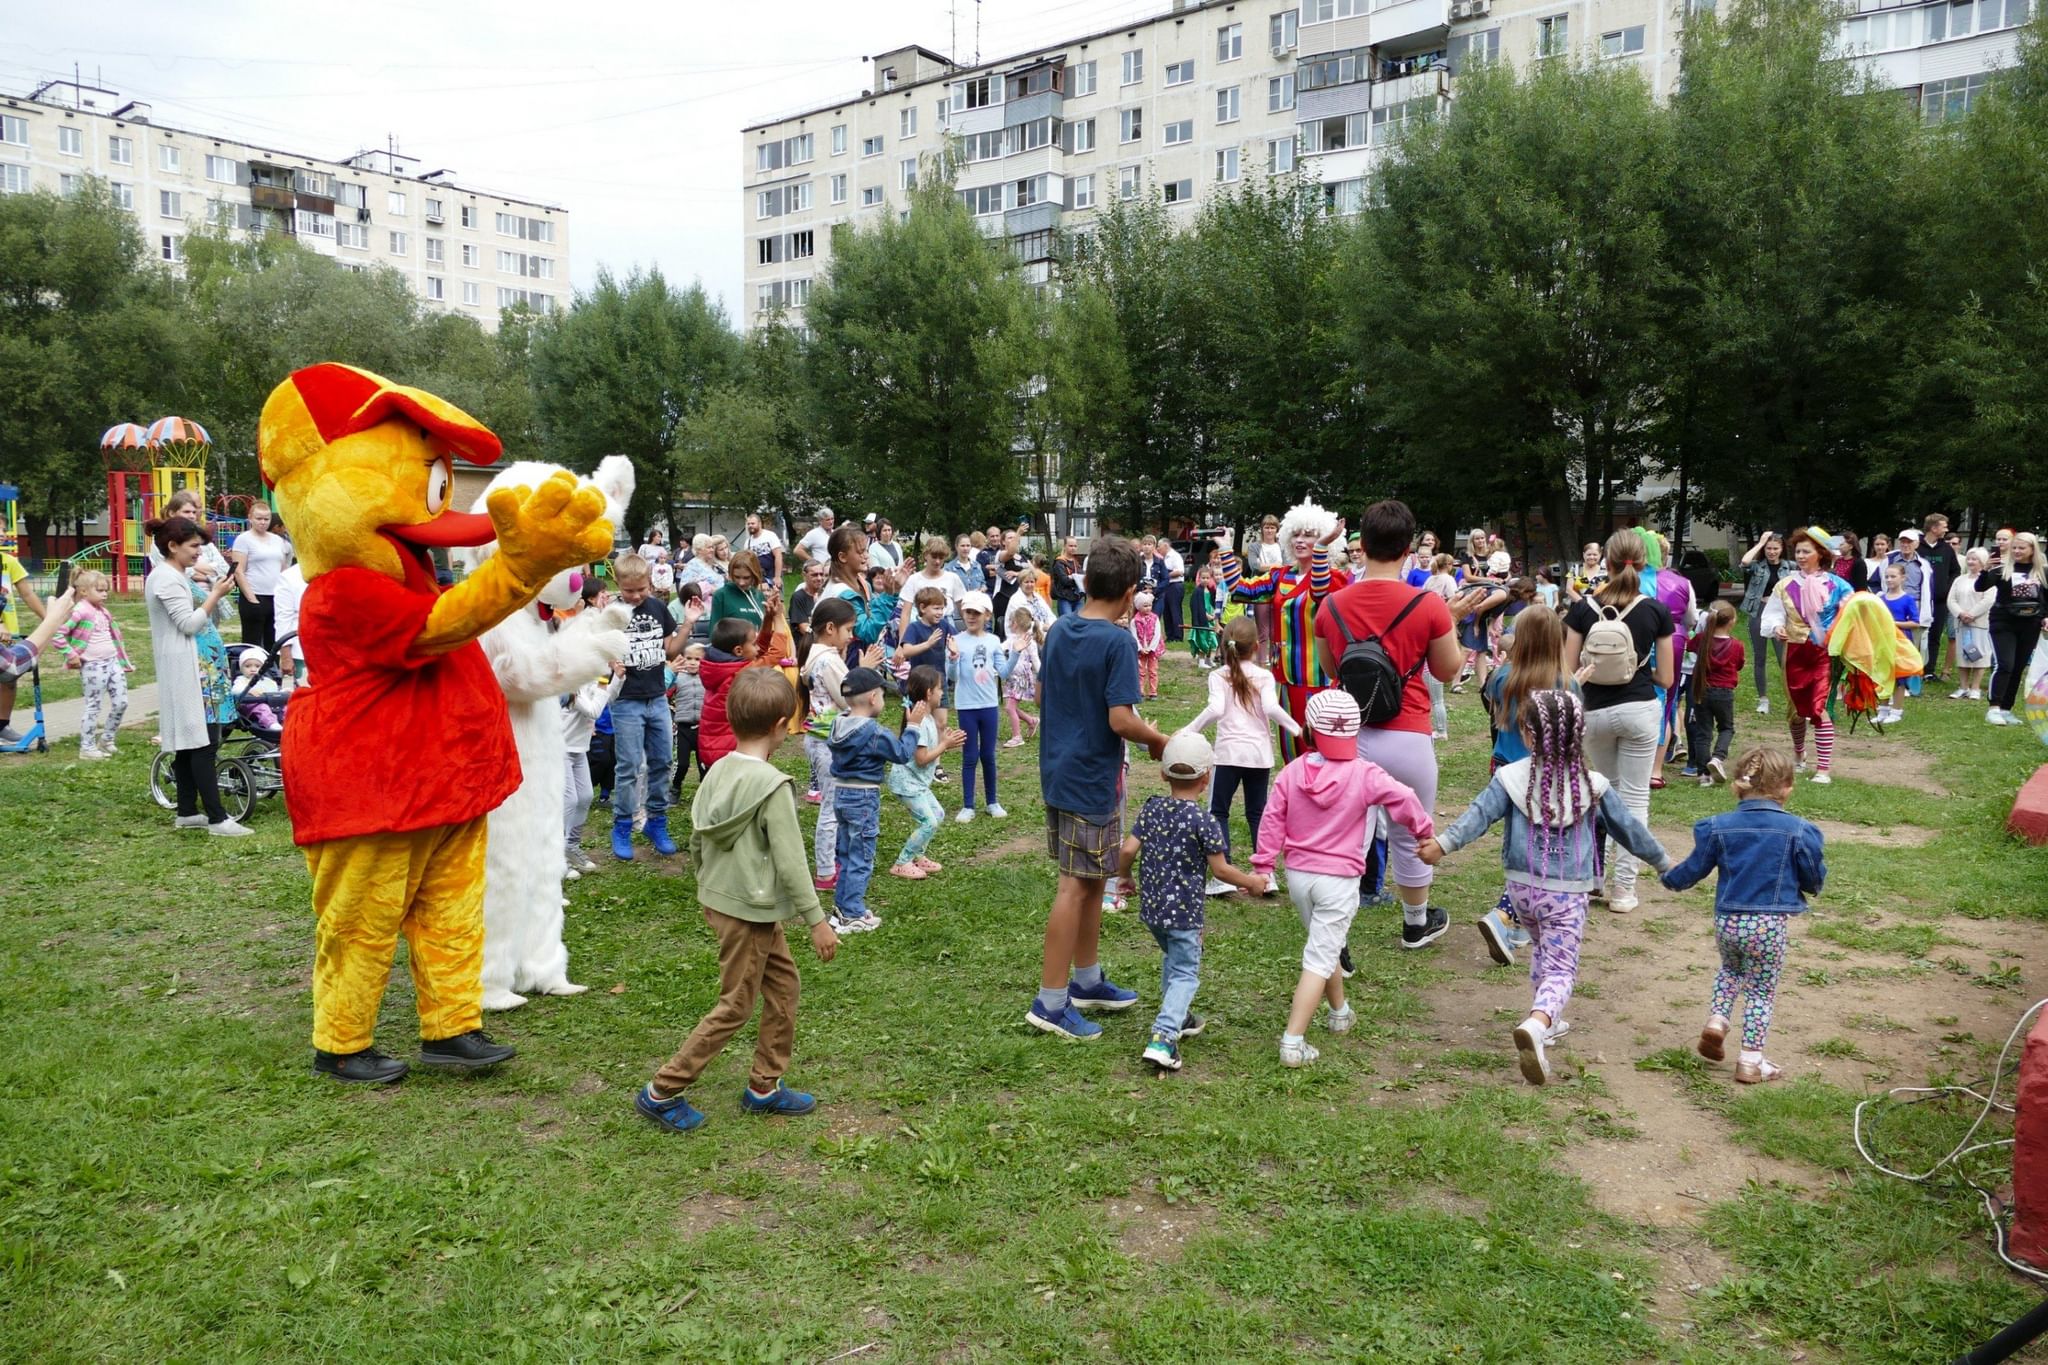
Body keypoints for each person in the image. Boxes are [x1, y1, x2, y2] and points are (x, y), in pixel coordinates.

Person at [1421, 690, 1671, 1085]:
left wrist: (1443, 844)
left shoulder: (1511, 779)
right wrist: (1662, 862)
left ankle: (1548, 1020)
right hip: (1567, 894)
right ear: (1579, 735)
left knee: (1542, 949)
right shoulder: (1594, 786)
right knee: (1561, 968)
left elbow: (1478, 816)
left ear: (1527, 732)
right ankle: (1537, 1025)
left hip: (1521, 892)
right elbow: (1629, 831)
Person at [633, 669, 836, 1132]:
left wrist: (707, 884)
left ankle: (764, 1085)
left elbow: (698, 837)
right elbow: (791, 861)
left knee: (783, 988)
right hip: (748, 911)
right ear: (781, 725)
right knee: (737, 1004)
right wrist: (817, 920)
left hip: (733, 904)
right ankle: (662, 1090)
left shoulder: (719, 769)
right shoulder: (773, 786)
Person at [1313, 498, 1472, 952]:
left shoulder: (1333, 605)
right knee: (1412, 829)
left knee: (1345, 835)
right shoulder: (1428, 605)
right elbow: (1447, 671)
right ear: (1409, 548)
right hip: (1408, 734)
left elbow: (1332, 669)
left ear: (1361, 544)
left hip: (1350, 736)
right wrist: (1453, 621)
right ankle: (1415, 923)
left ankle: (1335, 932)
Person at [1028, 536, 1169, 1041]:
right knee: (1074, 886)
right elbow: (1120, 720)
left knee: (1090, 881)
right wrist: (1158, 739)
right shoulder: (1117, 641)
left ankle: (1086, 981)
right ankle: (1049, 1002)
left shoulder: (1061, 628)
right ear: (1131, 591)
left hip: (1060, 773)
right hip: (1090, 780)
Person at [1255, 690, 1435, 1068]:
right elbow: (1404, 797)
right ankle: (1293, 1041)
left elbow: (1271, 818)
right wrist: (1423, 832)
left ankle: (1340, 1012)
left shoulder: (1293, 772)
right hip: (1338, 881)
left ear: (1310, 730)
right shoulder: (1366, 774)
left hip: (1299, 876)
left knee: (1326, 943)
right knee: (1319, 956)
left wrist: (1263, 865)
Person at [1660, 748, 1826, 1085]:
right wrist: (1810, 885)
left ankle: (1718, 1021)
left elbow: (1694, 869)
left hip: (1728, 920)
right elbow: (1812, 874)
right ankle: (1751, 1061)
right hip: (1767, 924)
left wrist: (1669, 877)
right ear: (1787, 787)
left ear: (1738, 785)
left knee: (1730, 969)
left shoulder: (1719, 827)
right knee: (1761, 991)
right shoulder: (1797, 830)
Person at [1118, 731, 1265, 1072]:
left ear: (1163, 774)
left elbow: (1127, 850)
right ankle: (1163, 1037)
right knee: (1185, 971)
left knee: (1173, 958)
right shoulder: (1204, 821)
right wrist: (1252, 882)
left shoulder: (1152, 807)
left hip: (1153, 911)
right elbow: (1222, 871)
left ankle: (1181, 1016)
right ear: (1206, 778)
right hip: (1184, 914)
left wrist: (1125, 876)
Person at [1562, 529, 1676, 912]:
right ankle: (1624, 890)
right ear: (1645, 562)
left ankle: (1593, 876)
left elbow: (1568, 668)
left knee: (1604, 794)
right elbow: (1667, 679)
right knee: (1635, 798)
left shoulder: (1583, 608)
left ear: (1605, 562)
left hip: (1593, 712)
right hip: (1640, 709)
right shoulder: (1655, 610)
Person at [1474, 603, 1579, 964]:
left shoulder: (1504, 678)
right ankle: (1504, 913)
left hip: (1505, 770)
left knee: (1519, 845)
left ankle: (1517, 923)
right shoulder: (1567, 683)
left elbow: (1492, 694)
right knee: (1539, 853)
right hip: (1544, 775)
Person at [1217, 502, 1351, 760]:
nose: (1300, 540)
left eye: (1309, 535)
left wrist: (1321, 548)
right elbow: (1241, 590)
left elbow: (1319, 591)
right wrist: (1225, 549)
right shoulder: (1281, 576)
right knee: (1291, 750)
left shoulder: (1336, 578)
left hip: (1320, 680)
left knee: (1319, 749)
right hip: (1286, 679)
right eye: (1296, 534)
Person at [144, 517, 251, 836]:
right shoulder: (166, 578)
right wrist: (214, 595)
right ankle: (217, 818)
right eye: (193, 547)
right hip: (189, 671)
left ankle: (188, 812)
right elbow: (188, 624)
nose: (198, 553)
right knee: (204, 744)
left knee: (194, 744)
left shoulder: (177, 574)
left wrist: (214, 590)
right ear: (172, 546)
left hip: (200, 670)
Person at [1181, 614, 1300, 893]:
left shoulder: (1218, 676)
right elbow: (1271, 709)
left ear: (1224, 646)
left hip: (1227, 755)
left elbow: (1216, 710)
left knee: (1218, 810)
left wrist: (1188, 730)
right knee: (1258, 813)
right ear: (1257, 646)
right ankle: (1265, 875)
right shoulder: (1265, 676)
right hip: (1258, 755)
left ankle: (1224, 876)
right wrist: (1298, 729)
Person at [827, 665, 924, 933]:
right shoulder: (873, 732)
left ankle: (842, 908)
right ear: (872, 698)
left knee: (846, 853)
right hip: (863, 797)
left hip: (842, 794)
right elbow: (903, 754)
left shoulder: (838, 724)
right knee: (861, 855)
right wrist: (913, 727)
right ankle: (854, 913)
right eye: (882, 695)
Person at [1758, 528, 1852, 776]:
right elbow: (1774, 613)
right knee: (1797, 710)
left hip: (1823, 655)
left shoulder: (1839, 586)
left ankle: (1823, 769)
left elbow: (1850, 615)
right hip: (1794, 654)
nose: (1800, 556)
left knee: (1819, 708)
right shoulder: (1785, 584)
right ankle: (1799, 752)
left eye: (1805, 551)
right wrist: (1778, 627)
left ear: (1820, 554)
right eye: (1798, 551)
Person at [800, 599, 880, 889]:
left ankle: (831, 859)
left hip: (819, 739)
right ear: (830, 628)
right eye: (848, 629)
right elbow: (849, 697)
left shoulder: (816, 654)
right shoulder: (829, 660)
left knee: (832, 803)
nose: (851, 635)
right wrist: (864, 670)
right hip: (827, 741)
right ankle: (825, 871)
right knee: (831, 808)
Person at [609, 554, 683, 860]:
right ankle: (622, 826)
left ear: (649, 582)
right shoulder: (611, 613)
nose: (637, 596)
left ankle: (656, 822)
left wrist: (689, 624)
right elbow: (596, 646)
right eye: (630, 591)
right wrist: (609, 660)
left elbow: (671, 649)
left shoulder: (658, 608)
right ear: (618, 584)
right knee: (629, 768)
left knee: (663, 761)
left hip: (657, 698)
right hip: (627, 700)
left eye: (642, 589)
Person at [886, 665, 965, 881]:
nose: (942, 692)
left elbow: (925, 752)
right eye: (940, 689)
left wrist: (943, 740)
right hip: (907, 785)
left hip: (917, 784)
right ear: (929, 693)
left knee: (937, 814)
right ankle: (902, 863)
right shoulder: (919, 721)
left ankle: (918, 856)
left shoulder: (927, 717)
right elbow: (921, 760)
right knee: (928, 822)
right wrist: (945, 745)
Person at [947, 590, 1016, 822]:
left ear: (987, 615)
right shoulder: (956, 640)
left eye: (976, 612)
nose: (971, 616)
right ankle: (968, 805)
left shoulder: (993, 641)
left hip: (988, 705)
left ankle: (992, 802)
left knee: (988, 754)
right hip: (966, 706)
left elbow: (1003, 672)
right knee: (969, 755)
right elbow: (953, 677)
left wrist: (1015, 653)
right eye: (968, 611)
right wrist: (954, 658)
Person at [55, 569, 133, 758]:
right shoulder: (80, 611)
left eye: (106, 590)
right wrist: (71, 655)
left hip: (112, 662)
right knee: (94, 705)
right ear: (83, 591)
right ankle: (87, 747)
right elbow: (58, 634)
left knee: (122, 702)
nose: (105, 594)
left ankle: (107, 739)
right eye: (100, 590)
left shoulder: (103, 611)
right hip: (93, 665)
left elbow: (114, 637)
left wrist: (123, 661)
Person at [1979, 531, 2047, 727]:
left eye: (2021, 548)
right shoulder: (2003, 569)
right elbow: (1980, 587)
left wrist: (2045, 617)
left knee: (2018, 667)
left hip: (2030, 624)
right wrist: (1986, 570)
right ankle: (1993, 708)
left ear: (2032, 549)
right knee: (2005, 664)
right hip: (2003, 622)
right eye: (2014, 547)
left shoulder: (2042, 571)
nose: (2017, 551)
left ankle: (2006, 709)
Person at [564, 658, 626, 876]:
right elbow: (593, 711)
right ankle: (557, 858)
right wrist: (603, 679)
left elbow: (609, 698)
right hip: (561, 748)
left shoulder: (591, 678)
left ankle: (571, 847)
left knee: (586, 797)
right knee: (569, 800)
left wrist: (616, 678)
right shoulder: (569, 684)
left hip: (579, 748)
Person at [1685, 600, 1745, 785]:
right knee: (1726, 727)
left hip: (1702, 690)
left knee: (1703, 732)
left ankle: (1703, 775)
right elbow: (1740, 664)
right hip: (1724, 692)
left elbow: (1689, 645)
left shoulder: (1701, 639)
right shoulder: (1736, 646)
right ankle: (1717, 758)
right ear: (1732, 622)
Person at [821, 525, 902, 647]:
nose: (866, 556)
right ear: (842, 557)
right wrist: (888, 596)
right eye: (860, 552)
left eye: (866, 550)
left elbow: (871, 612)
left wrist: (893, 590)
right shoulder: (843, 593)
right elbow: (867, 633)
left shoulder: (862, 584)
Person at [695, 616, 758, 772]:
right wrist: (776, 618)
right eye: (754, 644)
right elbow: (775, 653)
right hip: (731, 753)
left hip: (711, 749)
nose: (757, 649)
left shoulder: (716, 668)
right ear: (738, 650)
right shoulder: (739, 674)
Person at [0, 545, 49, 744]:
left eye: (2, 529)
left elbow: (27, 594)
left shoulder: (9, 562)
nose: (1, 534)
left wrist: (48, 619)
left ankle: (2, 725)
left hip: (8, 633)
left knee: (9, 679)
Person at [229, 500, 292, 653]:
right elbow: (238, 570)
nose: (263, 522)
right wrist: (251, 598)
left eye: (266, 519)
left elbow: (283, 568)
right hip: (255, 595)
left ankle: (273, 672)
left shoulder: (277, 540)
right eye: (259, 518)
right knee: (253, 643)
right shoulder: (244, 539)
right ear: (250, 518)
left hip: (275, 596)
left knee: (274, 640)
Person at [1738, 531, 1787, 716]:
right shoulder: (1758, 567)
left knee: (1784, 659)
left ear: (1782, 550)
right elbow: (1744, 562)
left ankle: (1792, 698)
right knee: (1760, 658)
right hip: (1758, 611)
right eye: (1769, 548)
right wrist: (1760, 543)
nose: (1772, 552)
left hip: (1780, 615)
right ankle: (1763, 700)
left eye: (1775, 548)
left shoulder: (1788, 567)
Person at [1948, 547, 1996, 703]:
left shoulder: (1988, 579)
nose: (1970, 562)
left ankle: (1975, 688)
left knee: (1979, 654)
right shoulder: (1959, 579)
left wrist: (1972, 614)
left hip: (1979, 623)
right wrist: (1961, 613)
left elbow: (1988, 600)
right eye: (1969, 558)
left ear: (1982, 561)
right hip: (1961, 622)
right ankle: (1963, 687)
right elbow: (1951, 600)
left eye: (1974, 559)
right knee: (1963, 654)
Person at [1876, 563, 1919, 726]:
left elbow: (1915, 622)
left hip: (1900, 642)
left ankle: (1896, 710)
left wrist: (1894, 624)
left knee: (1899, 678)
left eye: (1893, 576)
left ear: (1903, 578)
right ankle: (1883, 709)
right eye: (1887, 576)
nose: (1889, 579)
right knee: (1883, 675)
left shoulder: (1907, 599)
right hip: (1883, 641)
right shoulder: (1881, 599)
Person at [1922, 513, 1961, 682]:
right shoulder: (1918, 547)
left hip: (1939, 601)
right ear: (1933, 528)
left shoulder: (1946, 549)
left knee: (1935, 636)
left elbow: (1955, 571)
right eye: (1944, 526)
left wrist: (1947, 589)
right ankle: (1914, 669)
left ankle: (1929, 671)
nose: (1946, 529)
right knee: (1917, 635)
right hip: (1919, 600)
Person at [668, 642, 709, 797]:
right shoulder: (677, 678)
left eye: (697, 659)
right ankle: (676, 788)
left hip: (703, 728)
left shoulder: (708, 678)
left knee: (704, 764)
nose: (693, 662)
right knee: (682, 763)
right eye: (689, 658)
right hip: (683, 728)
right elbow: (664, 695)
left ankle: (705, 792)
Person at [1002, 604, 1042, 747]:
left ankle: (1017, 736)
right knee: (1010, 706)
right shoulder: (1011, 639)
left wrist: (1042, 675)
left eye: (1010, 621)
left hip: (1021, 679)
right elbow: (1000, 649)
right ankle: (1032, 721)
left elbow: (1035, 660)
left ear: (1015, 623)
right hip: (1011, 678)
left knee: (1010, 707)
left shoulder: (1029, 641)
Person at [708, 550, 775, 633]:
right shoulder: (721, 595)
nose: (741, 582)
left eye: (746, 578)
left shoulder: (759, 595)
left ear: (754, 574)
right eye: (737, 577)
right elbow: (713, 633)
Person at [903, 538, 967, 626]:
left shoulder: (952, 578)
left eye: (941, 558)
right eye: (934, 557)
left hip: (946, 623)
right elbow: (905, 614)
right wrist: (903, 639)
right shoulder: (914, 579)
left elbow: (963, 610)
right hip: (921, 624)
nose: (937, 561)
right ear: (926, 555)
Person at [788, 559, 828, 657]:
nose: (819, 578)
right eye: (814, 575)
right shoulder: (798, 597)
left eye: (821, 574)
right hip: (806, 650)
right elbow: (804, 628)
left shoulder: (827, 595)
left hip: (824, 649)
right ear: (804, 575)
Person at [1131, 589, 1165, 701]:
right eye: (1145, 606)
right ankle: (1140, 691)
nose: (1148, 608)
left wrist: (1151, 648)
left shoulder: (1155, 619)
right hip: (1140, 650)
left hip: (1152, 650)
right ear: (1138, 607)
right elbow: (1134, 635)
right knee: (1140, 671)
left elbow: (1157, 634)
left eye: (1149, 605)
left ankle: (1153, 692)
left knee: (1153, 670)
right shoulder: (1134, 621)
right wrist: (1140, 648)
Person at [1186, 563, 1220, 668]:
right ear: (1199, 578)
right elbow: (1197, 606)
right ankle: (1201, 661)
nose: (1205, 580)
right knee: (1203, 640)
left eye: (1207, 578)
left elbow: (1211, 602)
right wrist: (1205, 615)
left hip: (1210, 618)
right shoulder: (1197, 591)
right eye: (1203, 578)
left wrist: (1214, 612)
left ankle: (1209, 659)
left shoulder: (1210, 590)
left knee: (1213, 640)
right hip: (1202, 619)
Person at [1157, 535, 1186, 643]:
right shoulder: (1162, 558)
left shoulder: (1175, 556)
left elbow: (1180, 571)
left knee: (1175, 610)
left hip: (1175, 585)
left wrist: (1166, 575)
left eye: (1159, 546)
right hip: (1166, 586)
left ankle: (1178, 636)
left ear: (1166, 545)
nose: (1158, 549)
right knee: (1166, 611)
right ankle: (1170, 635)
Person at [742, 512, 784, 584]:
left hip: (772, 576)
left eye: (752, 523)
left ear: (760, 523)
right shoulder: (747, 542)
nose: (750, 526)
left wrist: (777, 577)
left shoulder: (770, 535)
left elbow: (778, 556)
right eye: (748, 524)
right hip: (758, 579)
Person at [1050, 536, 1085, 618]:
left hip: (1078, 598)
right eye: (1070, 546)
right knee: (1067, 623)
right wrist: (1076, 578)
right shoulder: (1059, 562)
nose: (1073, 548)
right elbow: (1064, 581)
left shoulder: (1076, 562)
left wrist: (1072, 577)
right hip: (1065, 598)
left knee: (1079, 622)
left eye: (1075, 546)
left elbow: (1083, 578)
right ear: (1065, 546)